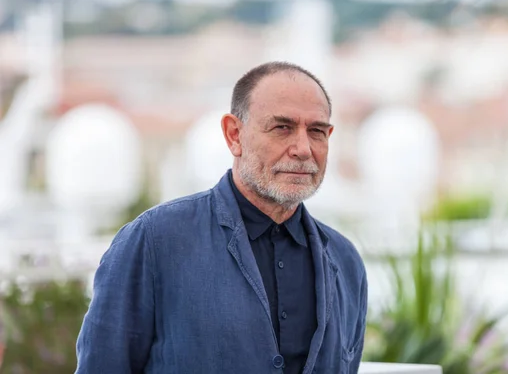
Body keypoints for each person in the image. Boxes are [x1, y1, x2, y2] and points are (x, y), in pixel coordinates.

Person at [75, 61, 368, 374]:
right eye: (282, 128)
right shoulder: (155, 241)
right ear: (234, 135)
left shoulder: (346, 261)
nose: (303, 148)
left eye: (317, 131)